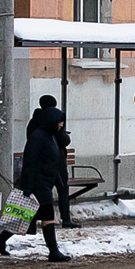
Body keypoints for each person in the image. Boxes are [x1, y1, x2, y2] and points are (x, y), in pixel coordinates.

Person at [0, 105, 71, 262]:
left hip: (45, 182)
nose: (61, 125)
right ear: (51, 121)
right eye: (59, 122)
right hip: (38, 184)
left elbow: (55, 156)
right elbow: (29, 162)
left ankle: (0, 240)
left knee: (26, 216)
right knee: (47, 217)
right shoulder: (38, 137)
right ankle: (54, 252)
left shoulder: (51, 136)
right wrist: (27, 187)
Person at [29, 95, 78, 228]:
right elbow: (64, 141)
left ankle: (34, 221)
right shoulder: (52, 122)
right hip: (56, 163)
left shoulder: (34, 121)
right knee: (62, 189)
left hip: (41, 165)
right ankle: (65, 219)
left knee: (42, 194)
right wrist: (63, 134)